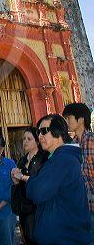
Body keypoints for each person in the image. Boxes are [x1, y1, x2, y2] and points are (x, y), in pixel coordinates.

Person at [26, 114, 91, 245]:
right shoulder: (59, 158)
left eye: (44, 131)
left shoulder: (62, 160)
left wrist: (32, 180)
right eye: (38, 132)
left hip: (65, 238)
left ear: (58, 132)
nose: (39, 136)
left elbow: (36, 192)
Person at [63, 103, 94, 244]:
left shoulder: (92, 141)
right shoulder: (71, 146)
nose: (66, 122)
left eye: (69, 118)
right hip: (79, 207)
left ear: (80, 119)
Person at [11, 127, 48, 245]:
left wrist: (22, 177)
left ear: (37, 141)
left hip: (39, 209)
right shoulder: (22, 160)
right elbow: (18, 185)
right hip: (24, 210)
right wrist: (15, 181)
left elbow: (43, 182)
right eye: (23, 139)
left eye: (29, 139)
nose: (25, 141)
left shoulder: (44, 159)